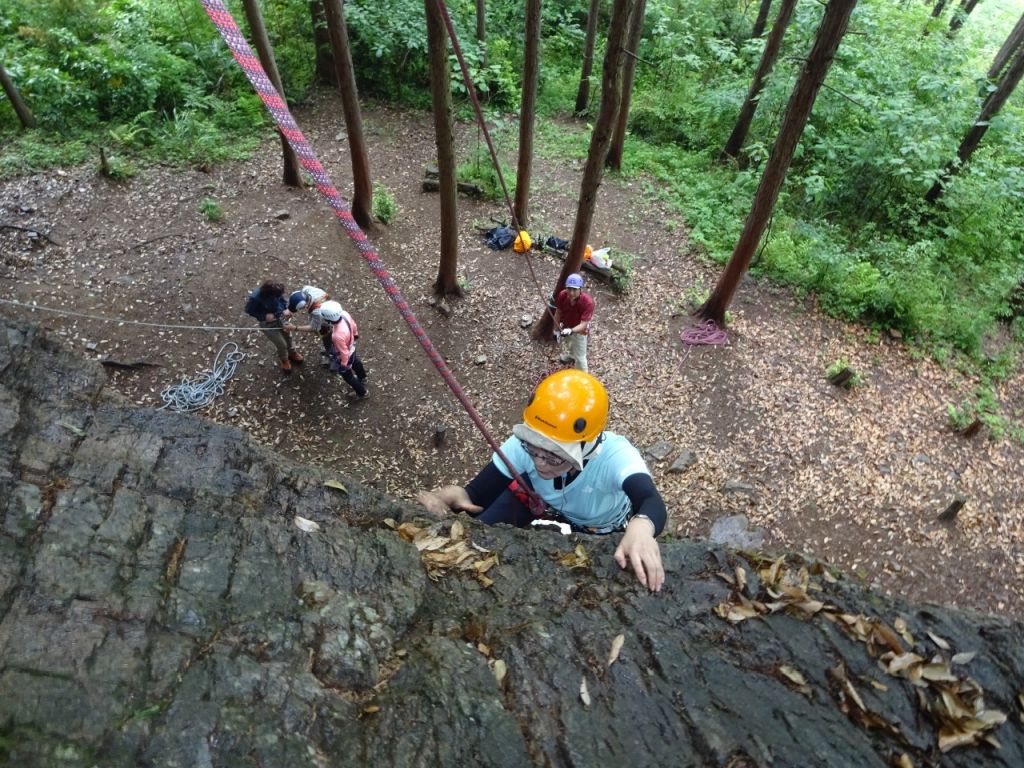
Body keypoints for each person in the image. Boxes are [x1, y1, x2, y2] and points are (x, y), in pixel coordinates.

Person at [416, 370, 665, 591]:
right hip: (539, 501)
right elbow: (476, 497)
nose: (539, 463)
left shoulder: (615, 456)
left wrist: (642, 527)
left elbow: (649, 500)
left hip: (599, 525)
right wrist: (454, 496)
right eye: (533, 449)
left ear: (586, 448)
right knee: (478, 536)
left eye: (555, 456)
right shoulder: (523, 447)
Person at [244, 281, 303, 375]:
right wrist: (264, 316)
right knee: (281, 344)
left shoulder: (276, 290)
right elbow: (249, 311)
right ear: (268, 294)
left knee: (288, 337)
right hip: (268, 324)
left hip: (281, 317)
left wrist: (286, 309)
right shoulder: (255, 298)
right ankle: (284, 359)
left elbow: (282, 300)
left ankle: (292, 353)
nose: (278, 297)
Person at [317, 300, 369, 399]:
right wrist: (355, 334)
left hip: (345, 355)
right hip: (352, 346)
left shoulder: (337, 335)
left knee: (348, 376)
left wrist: (343, 366)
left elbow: (344, 353)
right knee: (356, 362)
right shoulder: (344, 314)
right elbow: (353, 325)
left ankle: (362, 393)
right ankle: (362, 377)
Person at [553, 273, 594, 372]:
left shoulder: (588, 302)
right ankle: (571, 355)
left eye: (574, 289)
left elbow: (584, 324)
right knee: (569, 343)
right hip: (566, 325)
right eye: (569, 289)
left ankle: (583, 378)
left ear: (580, 289)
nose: (571, 293)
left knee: (580, 357)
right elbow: (558, 312)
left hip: (580, 331)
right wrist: (556, 330)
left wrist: (571, 330)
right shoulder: (563, 295)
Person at [288, 285, 333, 364]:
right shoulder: (306, 289)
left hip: (329, 321)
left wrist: (294, 328)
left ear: (305, 306)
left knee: (327, 337)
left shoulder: (316, 312)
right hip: (329, 307)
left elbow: (314, 327)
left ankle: (332, 356)